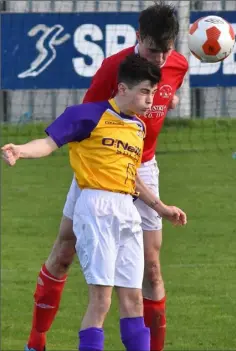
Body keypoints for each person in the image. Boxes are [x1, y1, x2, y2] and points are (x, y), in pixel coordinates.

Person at [11, 3, 188, 351]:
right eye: (154, 51)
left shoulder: (177, 64)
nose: (161, 60)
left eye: (167, 51)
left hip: (141, 167)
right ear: (139, 38)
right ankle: (37, 339)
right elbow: (87, 121)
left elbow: (160, 99)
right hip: (100, 166)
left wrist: (167, 101)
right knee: (64, 252)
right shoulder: (113, 68)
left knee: (151, 271)